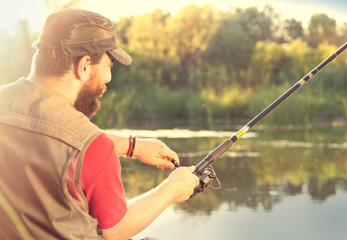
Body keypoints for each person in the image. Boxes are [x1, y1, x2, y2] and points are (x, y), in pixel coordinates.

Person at [0, 8, 199, 240]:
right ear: (84, 65)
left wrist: (132, 146)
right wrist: (172, 189)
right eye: (109, 66)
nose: (108, 79)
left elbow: (49, 133)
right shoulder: (94, 147)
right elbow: (117, 231)